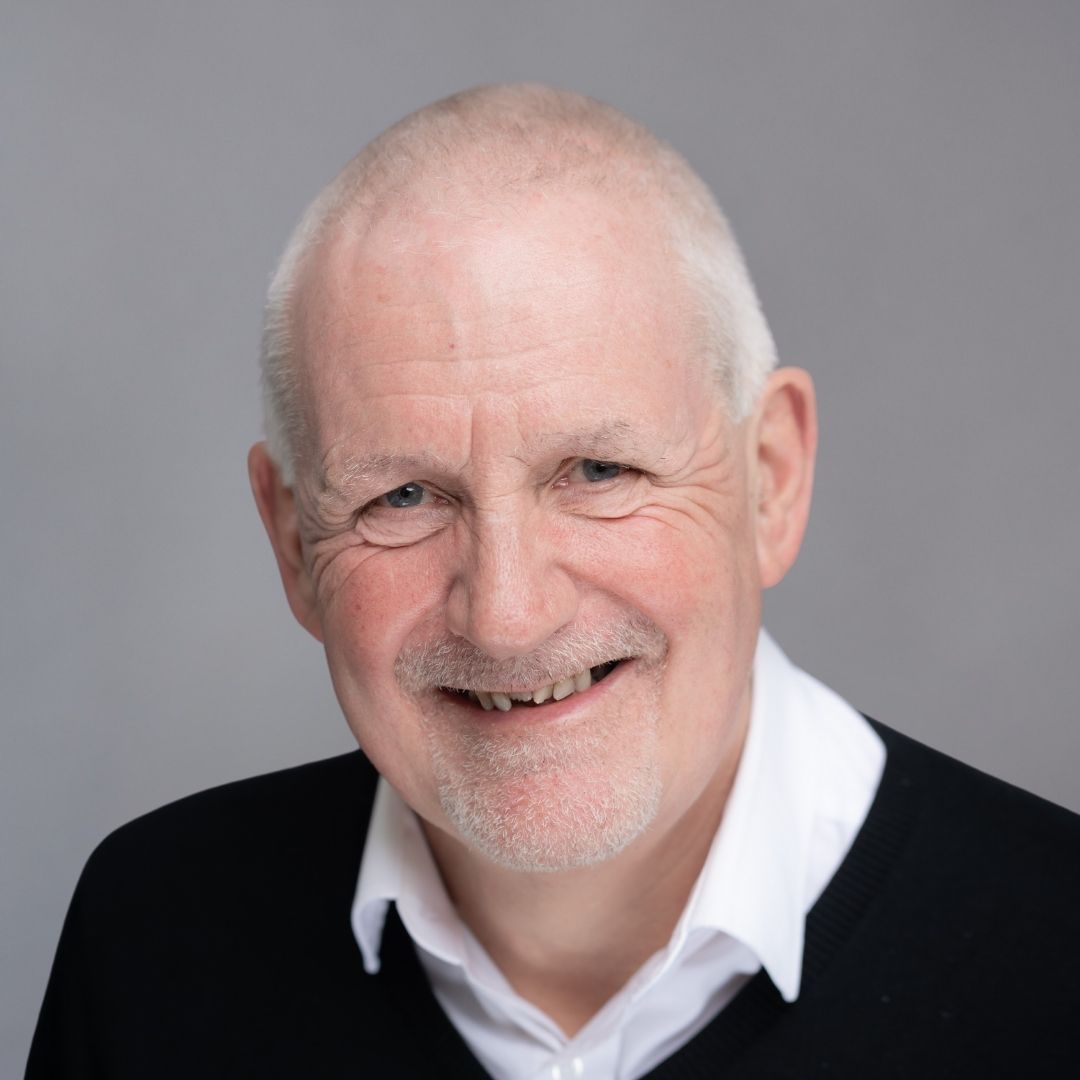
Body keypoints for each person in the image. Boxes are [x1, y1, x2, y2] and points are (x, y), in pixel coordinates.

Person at [27, 84, 1079, 1078]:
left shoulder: (1052, 964)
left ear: (772, 479)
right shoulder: (153, 944)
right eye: (403, 497)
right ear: (292, 544)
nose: (508, 612)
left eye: (598, 471)